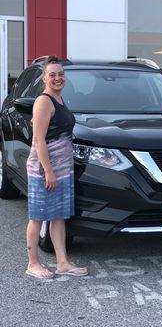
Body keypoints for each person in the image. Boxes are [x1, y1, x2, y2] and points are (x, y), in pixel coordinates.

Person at [26, 56, 88, 279]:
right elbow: (39, 140)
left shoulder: (59, 100)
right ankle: (33, 263)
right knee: (38, 216)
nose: (57, 78)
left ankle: (62, 263)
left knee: (59, 216)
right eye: (52, 74)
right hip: (45, 171)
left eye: (61, 74)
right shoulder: (44, 101)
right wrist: (49, 171)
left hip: (62, 170)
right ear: (44, 78)